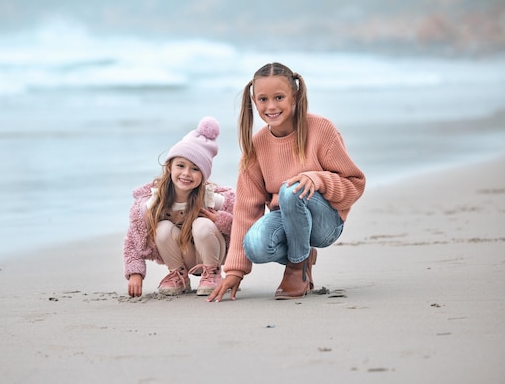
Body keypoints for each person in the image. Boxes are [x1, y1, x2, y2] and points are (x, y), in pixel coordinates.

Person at [207, 62, 365, 302]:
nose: (271, 106)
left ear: (295, 96)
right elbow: (246, 209)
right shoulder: (257, 145)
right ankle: (303, 257)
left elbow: (354, 184)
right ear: (253, 100)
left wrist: (317, 179)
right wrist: (235, 271)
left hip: (325, 224)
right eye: (263, 99)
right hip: (286, 219)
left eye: (279, 97)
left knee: (291, 189)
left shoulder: (321, 129)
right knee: (256, 245)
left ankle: (296, 267)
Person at [123, 116, 235, 297]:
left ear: (204, 175)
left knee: (202, 225)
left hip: (212, 252)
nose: (186, 174)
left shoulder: (210, 198)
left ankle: (212, 273)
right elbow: (133, 238)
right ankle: (178, 275)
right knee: (162, 228)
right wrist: (135, 272)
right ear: (169, 167)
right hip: (184, 256)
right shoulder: (154, 201)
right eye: (180, 166)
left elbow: (244, 224)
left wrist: (219, 220)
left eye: (195, 169)